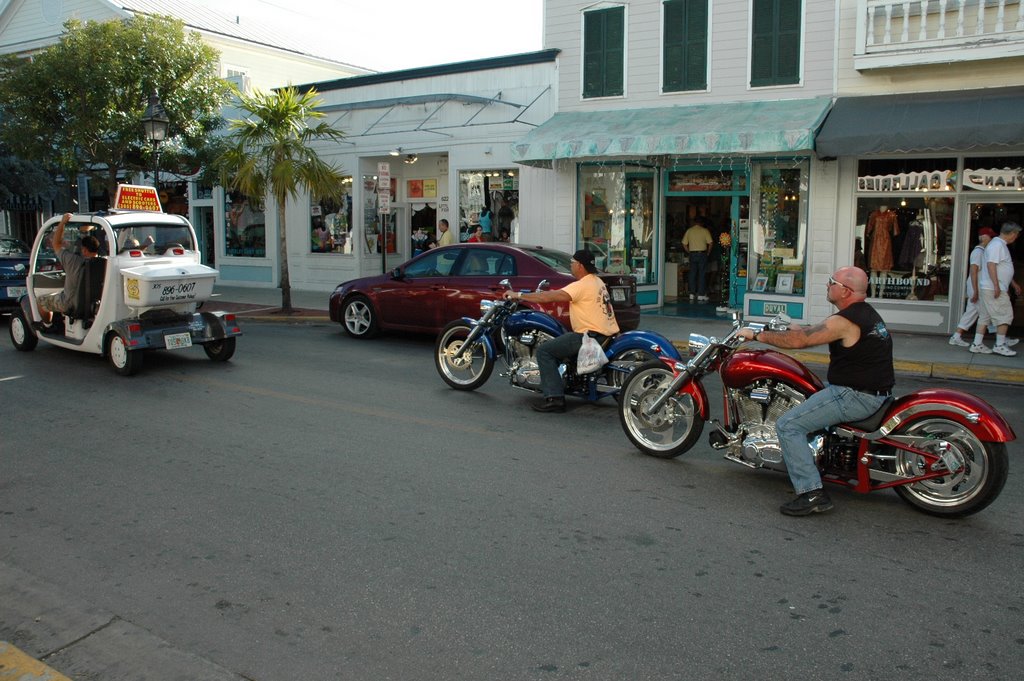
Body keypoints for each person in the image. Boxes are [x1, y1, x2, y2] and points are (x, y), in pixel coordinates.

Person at [737, 266, 894, 516]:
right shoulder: (862, 314)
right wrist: (791, 328)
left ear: (845, 290)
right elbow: (812, 332)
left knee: (788, 426)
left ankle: (811, 493)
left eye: (831, 282)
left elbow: (801, 342)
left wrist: (757, 335)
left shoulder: (846, 320)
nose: (827, 285)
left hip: (853, 395)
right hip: (869, 391)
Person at [503, 249, 620, 413]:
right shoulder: (597, 282)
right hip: (606, 334)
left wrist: (518, 295)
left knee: (544, 351)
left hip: (588, 337)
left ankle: (554, 398)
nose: (571, 266)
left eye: (572, 263)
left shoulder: (581, 285)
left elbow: (547, 297)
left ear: (579, 265)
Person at [36, 212, 100, 325]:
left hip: (70, 303)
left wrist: (62, 223)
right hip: (93, 303)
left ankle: (48, 325)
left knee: (40, 302)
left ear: (84, 250)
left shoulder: (73, 261)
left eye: (81, 249)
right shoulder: (103, 263)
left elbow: (56, 244)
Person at [971, 221, 1022, 356]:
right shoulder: (997, 245)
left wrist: (1013, 283)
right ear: (1012, 233)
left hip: (990, 287)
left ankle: (977, 344)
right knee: (1004, 315)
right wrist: (996, 286)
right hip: (993, 288)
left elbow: (1001, 268)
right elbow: (991, 265)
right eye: (1016, 235)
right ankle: (999, 345)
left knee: (985, 317)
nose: (1016, 237)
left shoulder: (998, 245)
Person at [949, 228, 998, 347]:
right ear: (984, 237)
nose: (992, 240)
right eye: (990, 237)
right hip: (975, 287)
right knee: (987, 312)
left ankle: (957, 336)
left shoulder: (983, 252)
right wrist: (975, 291)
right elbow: (974, 271)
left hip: (976, 287)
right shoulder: (978, 252)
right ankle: (1000, 337)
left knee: (973, 312)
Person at [682, 219, 713, 302]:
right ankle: (701, 294)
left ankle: (692, 294)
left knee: (692, 273)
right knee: (702, 274)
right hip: (702, 254)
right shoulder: (705, 231)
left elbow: (684, 243)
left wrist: (689, 251)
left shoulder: (689, 231)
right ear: (701, 223)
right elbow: (710, 243)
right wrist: (708, 252)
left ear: (694, 223)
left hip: (692, 254)